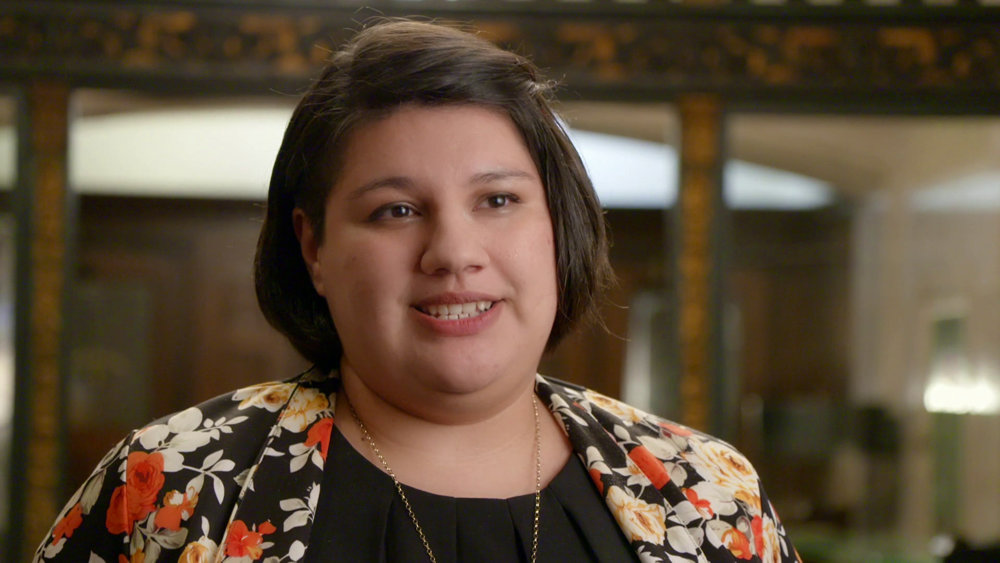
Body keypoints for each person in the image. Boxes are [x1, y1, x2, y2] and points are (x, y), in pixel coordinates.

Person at [36, 19, 799, 562]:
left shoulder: (707, 495)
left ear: (557, 228)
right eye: (396, 210)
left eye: (497, 199)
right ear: (315, 248)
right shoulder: (170, 488)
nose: (454, 253)